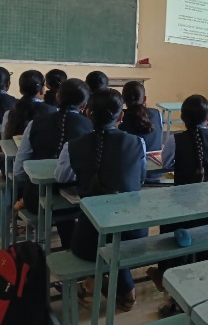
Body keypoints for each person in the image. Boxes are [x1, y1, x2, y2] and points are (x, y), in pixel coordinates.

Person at [55, 88, 147, 311]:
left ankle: (91, 285)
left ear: (87, 113)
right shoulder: (138, 143)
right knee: (116, 235)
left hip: (88, 240)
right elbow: (140, 179)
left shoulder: (73, 146)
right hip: (135, 237)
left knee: (101, 234)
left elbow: (61, 178)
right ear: (121, 116)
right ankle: (122, 290)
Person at [145, 95, 208, 310]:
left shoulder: (176, 140)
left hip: (185, 211)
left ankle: (167, 273)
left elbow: (167, 163)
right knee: (202, 222)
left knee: (168, 220)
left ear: (182, 119)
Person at [14, 78, 92, 247]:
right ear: (84, 105)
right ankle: (69, 247)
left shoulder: (35, 123)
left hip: (36, 198)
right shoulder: (89, 127)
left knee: (51, 197)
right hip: (76, 200)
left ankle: (40, 251)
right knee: (63, 204)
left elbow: (19, 169)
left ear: (57, 96)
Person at [3, 70, 55, 139]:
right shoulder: (52, 111)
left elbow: (4, 139)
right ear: (42, 90)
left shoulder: (10, 113)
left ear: (21, 90)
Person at [118, 81, 162, 152]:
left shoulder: (120, 116)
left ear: (123, 99)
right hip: (155, 158)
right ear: (145, 99)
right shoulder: (156, 113)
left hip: (132, 158)